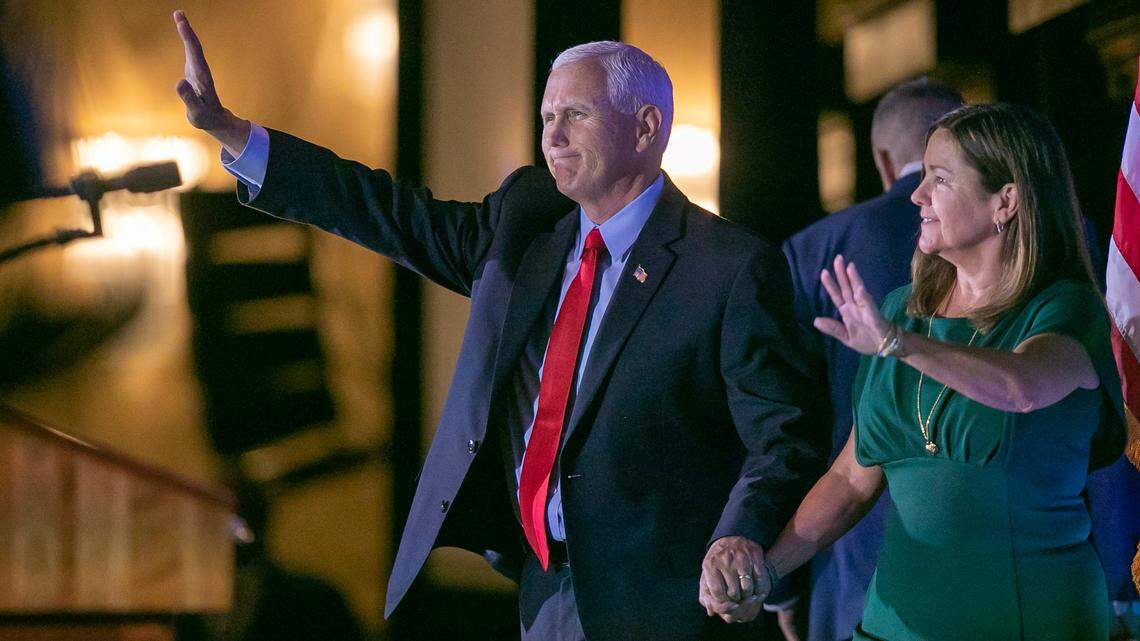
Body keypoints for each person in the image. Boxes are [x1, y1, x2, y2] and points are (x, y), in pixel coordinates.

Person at [173, 11, 826, 640]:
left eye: (576, 114)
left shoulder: (728, 268)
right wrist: (236, 135)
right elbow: (386, 211)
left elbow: (783, 435)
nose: (554, 136)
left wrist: (739, 534)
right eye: (547, 117)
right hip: (542, 589)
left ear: (646, 126)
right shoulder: (527, 226)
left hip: (667, 603)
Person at [760, 103, 1125, 640]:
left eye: (940, 179)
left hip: (1026, 623)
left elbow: (1019, 386)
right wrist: (768, 570)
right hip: (890, 625)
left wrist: (896, 344)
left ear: (1006, 200)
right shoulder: (900, 310)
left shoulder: (1067, 310)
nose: (916, 195)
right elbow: (849, 479)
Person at [781, 79, 964, 641]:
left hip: (847, 556)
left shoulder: (816, 247)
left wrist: (782, 577)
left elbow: (786, 416)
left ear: (883, 158)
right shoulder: (1056, 241)